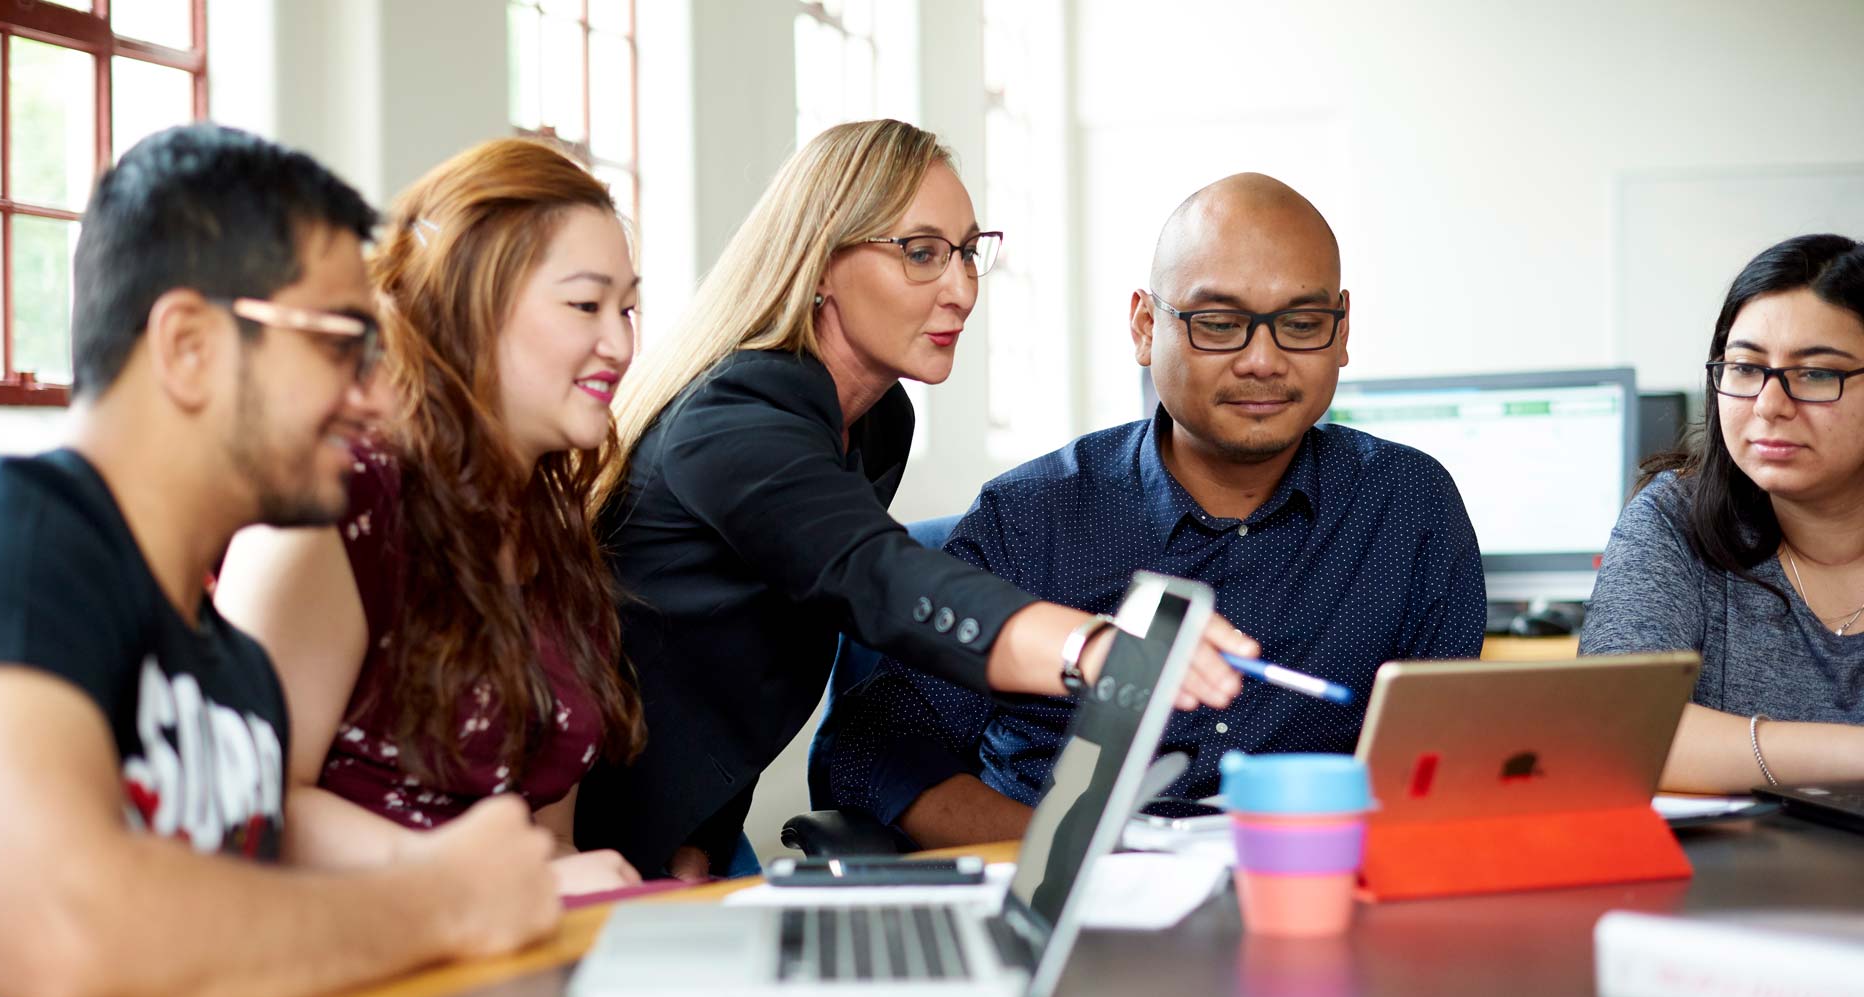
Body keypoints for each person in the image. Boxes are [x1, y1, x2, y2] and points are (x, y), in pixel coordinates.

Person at [0, 126, 560, 997]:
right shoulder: (12, 534)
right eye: (341, 346)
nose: (377, 399)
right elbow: (58, 927)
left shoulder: (239, 677)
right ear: (189, 345)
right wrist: (441, 902)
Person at [578, 119, 1254, 880]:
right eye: (922, 253)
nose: (962, 289)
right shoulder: (733, 419)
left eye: (968, 252)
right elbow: (876, 576)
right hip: (584, 838)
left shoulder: (873, 421)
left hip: (688, 827)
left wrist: (699, 845)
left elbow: (743, 661)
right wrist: (1090, 647)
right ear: (822, 264)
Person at [826, 173, 1487, 849]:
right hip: (1072, 912)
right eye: (1220, 324)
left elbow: (1444, 769)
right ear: (1145, 327)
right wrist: (1070, 853)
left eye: (1302, 324)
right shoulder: (1030, 519)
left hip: (1305, 895)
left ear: (1341, 332)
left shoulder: (1410, 508)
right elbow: (871, 754)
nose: (1263, 361)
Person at [214, 139, 644, 895]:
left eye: (629, 307)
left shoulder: (555, 533)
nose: (621, 343)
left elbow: (544, 836)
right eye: (585, 305)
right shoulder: (337, 505)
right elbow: (251, 809)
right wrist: (508, 886)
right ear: (468, 305)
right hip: (353, 957)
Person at [1582, 234, 1864, 792]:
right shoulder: (1672, 520)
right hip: (1726, 876)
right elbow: (1610, 732)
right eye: (1744, 368)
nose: (1769, 405)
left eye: (1815, 374)